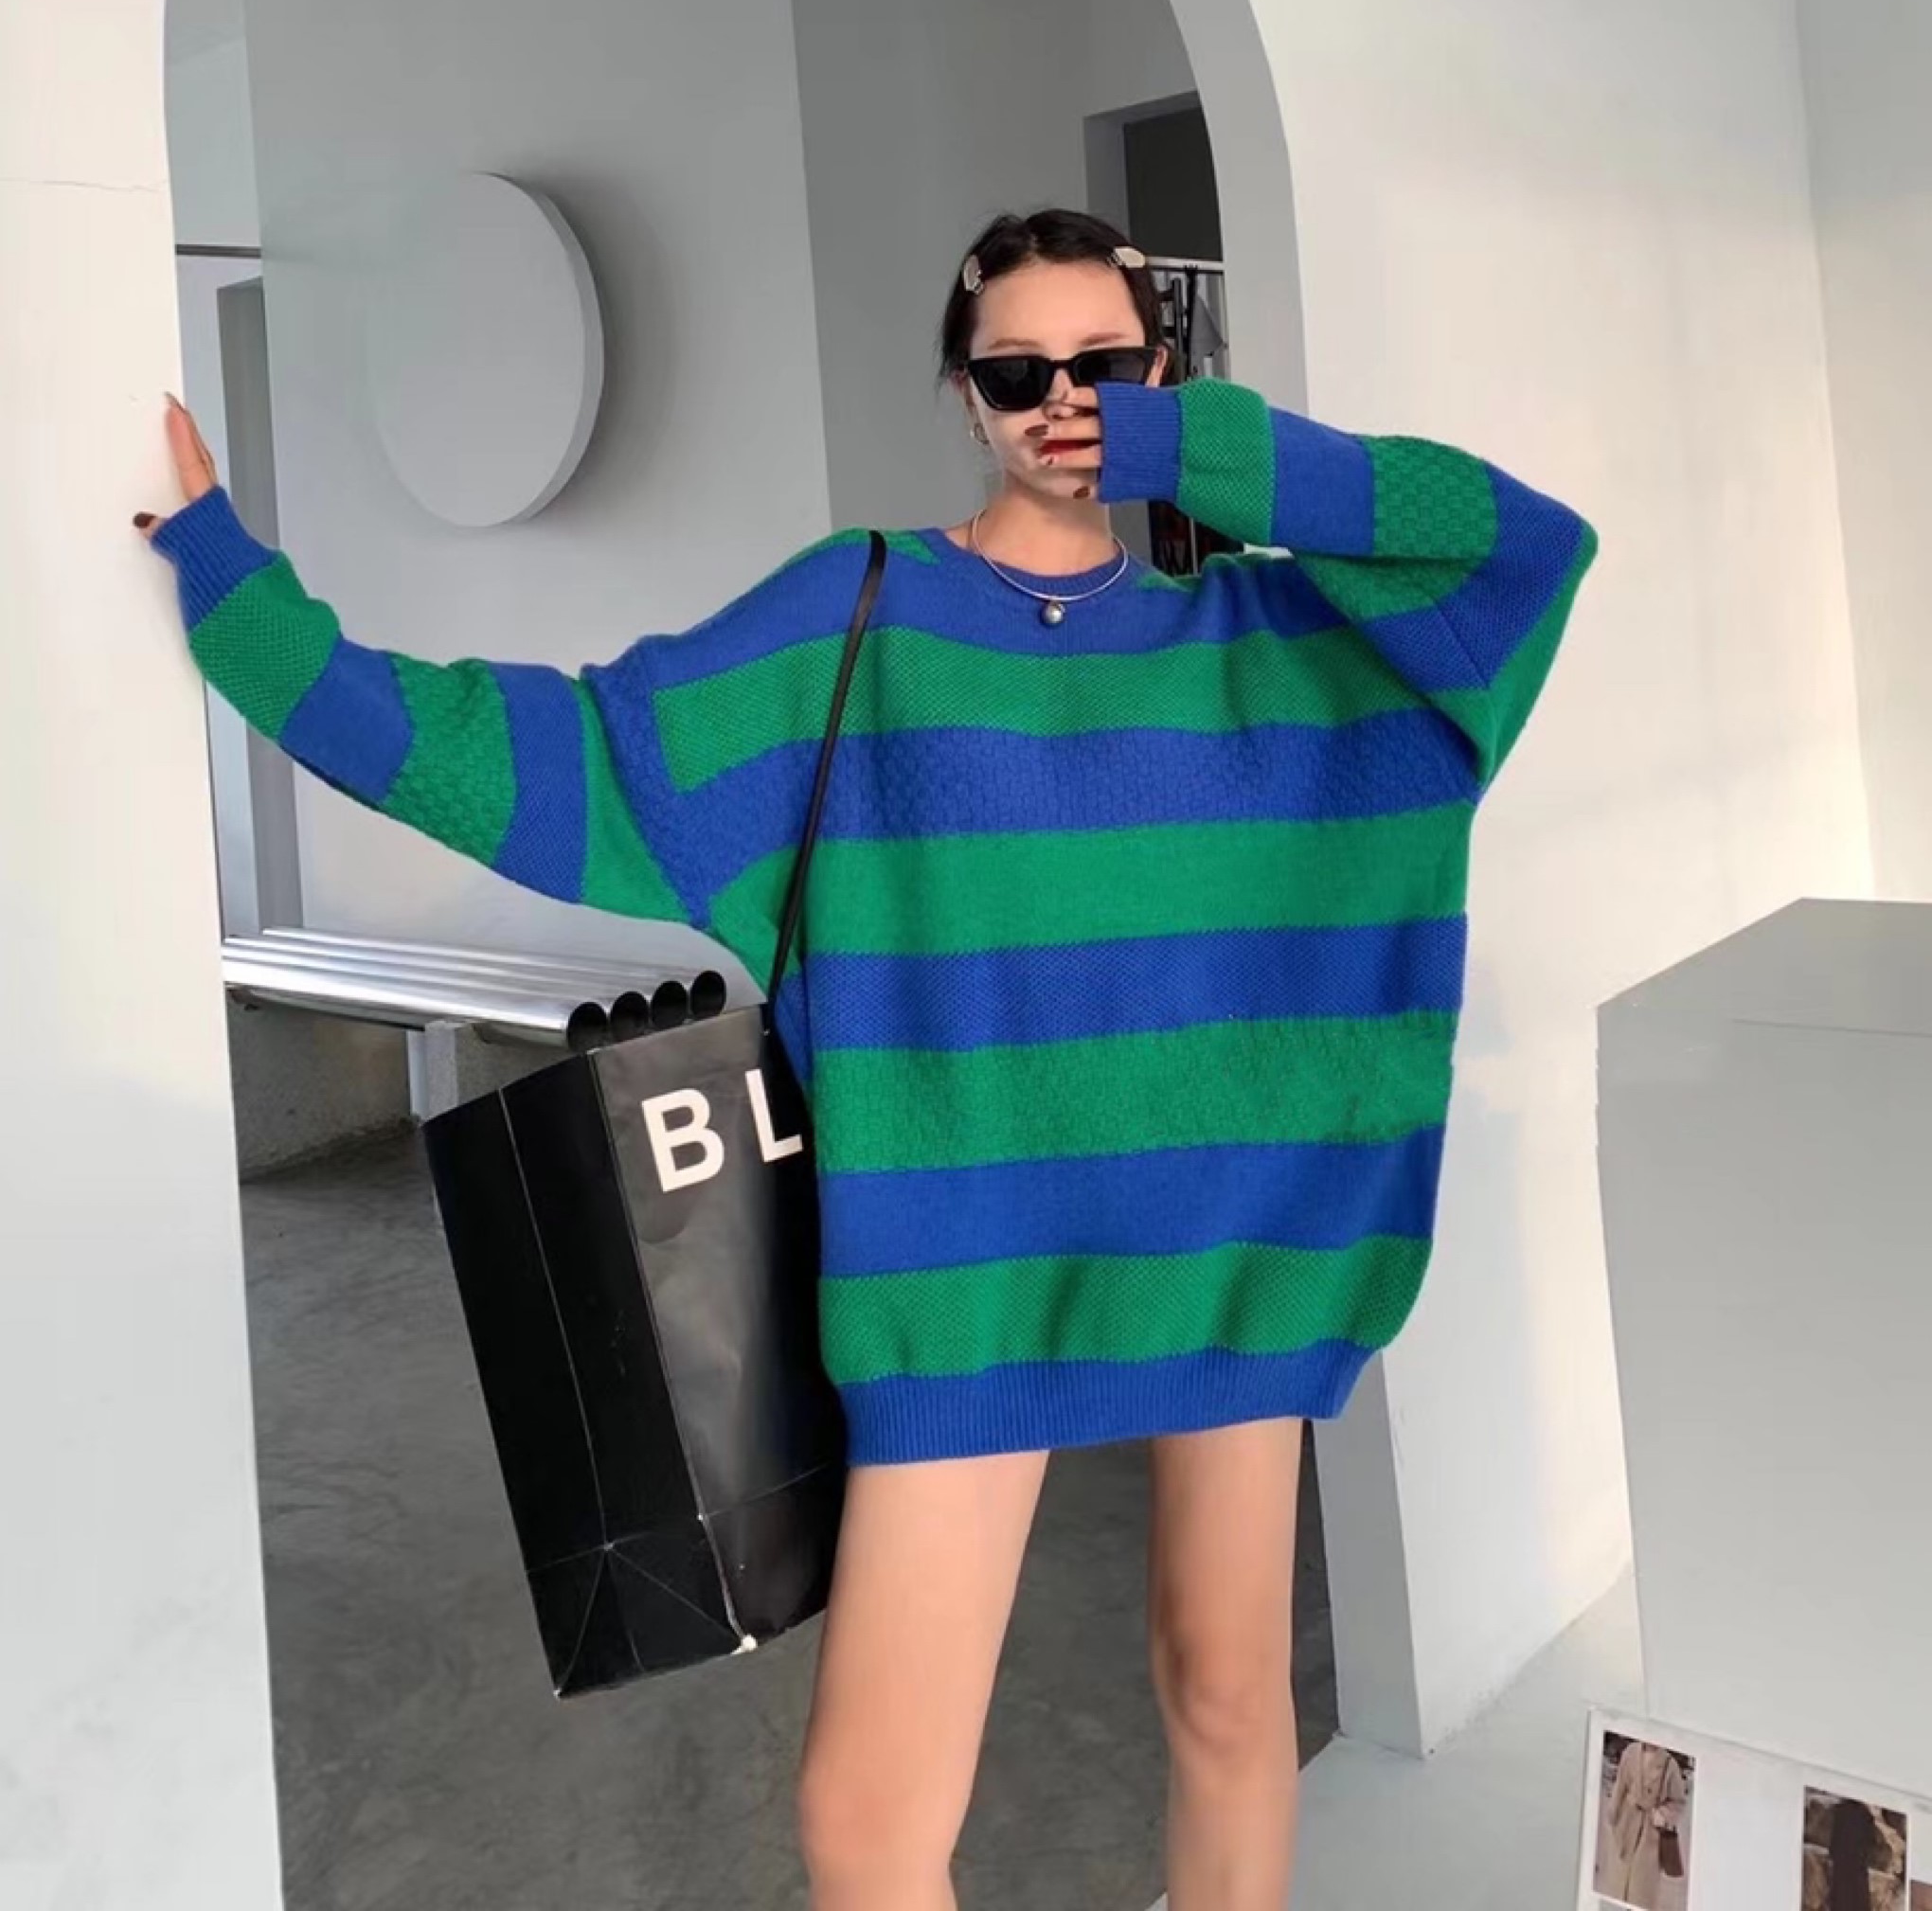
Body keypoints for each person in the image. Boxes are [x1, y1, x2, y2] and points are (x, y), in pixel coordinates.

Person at [137, 205, 1596, 1911]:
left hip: (1227, 1259)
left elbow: (1523, 554)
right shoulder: (860, 619)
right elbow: (550, 757)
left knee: (1229, 1702)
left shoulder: (1275, 649)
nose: (1066, 405)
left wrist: (1197, 454)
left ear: (1165, 374)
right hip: (964, 1284)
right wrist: (247, 609)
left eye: (1108, 370)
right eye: (1019, 373)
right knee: (865, 1826)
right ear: (964, 394)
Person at [1599, 1739, 1689, 1910]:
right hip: (1627, 1821)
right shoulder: (1631, 1753)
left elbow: (1678, 1802)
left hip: (1650, 1831)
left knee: (1642, 1883)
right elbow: (1621, 1785)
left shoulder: (1669, 1765)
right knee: (1618, 1876)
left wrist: (1663, 1813)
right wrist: (1614, 1811)